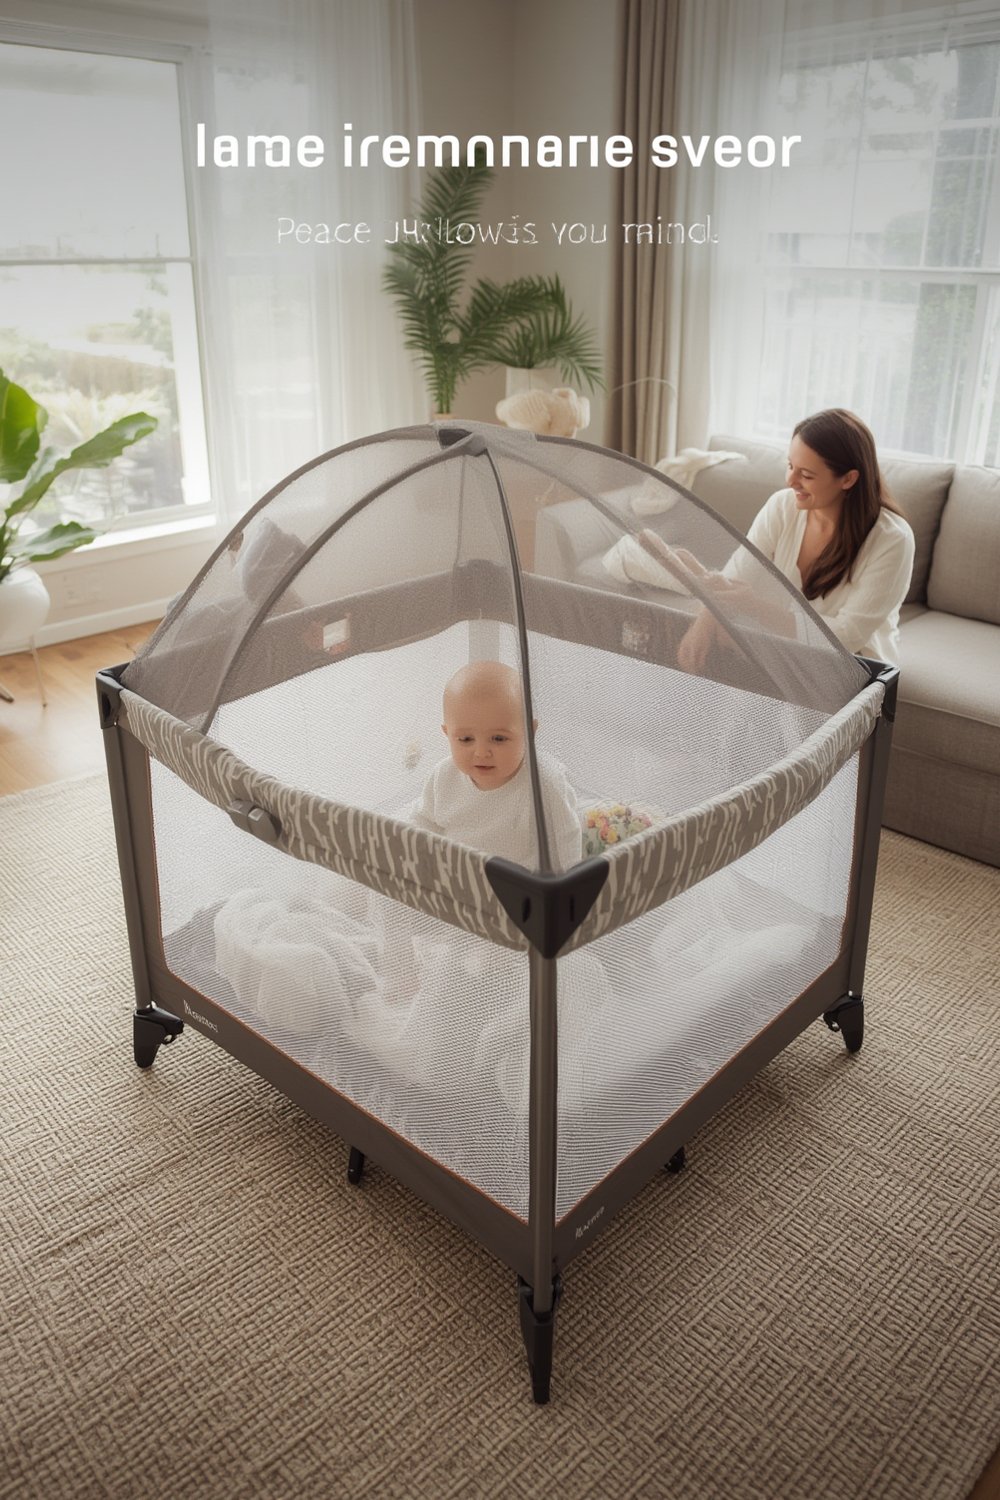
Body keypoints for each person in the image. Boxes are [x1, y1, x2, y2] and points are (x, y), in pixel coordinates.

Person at [677, 408, 915, 670]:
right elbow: (737, 575)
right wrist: (702, 625)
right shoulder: (781, 507)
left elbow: (847, 636)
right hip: (782, 648)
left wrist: (754, 607)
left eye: (807, 475)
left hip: (852, 665)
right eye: (790, 466)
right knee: (716, 639)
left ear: (848, 479)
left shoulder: (892, 540)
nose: (791, 481)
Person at [410, 660, 582, 870]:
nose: (481, 752)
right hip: (458, 883)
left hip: (523, 888)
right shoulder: (443, 777)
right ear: (447, 734)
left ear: (530, 732)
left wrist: (570, 886)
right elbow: (423, 823)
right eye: (465, 739)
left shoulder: (544, 780)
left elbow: (568, 836)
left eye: (499, 738)